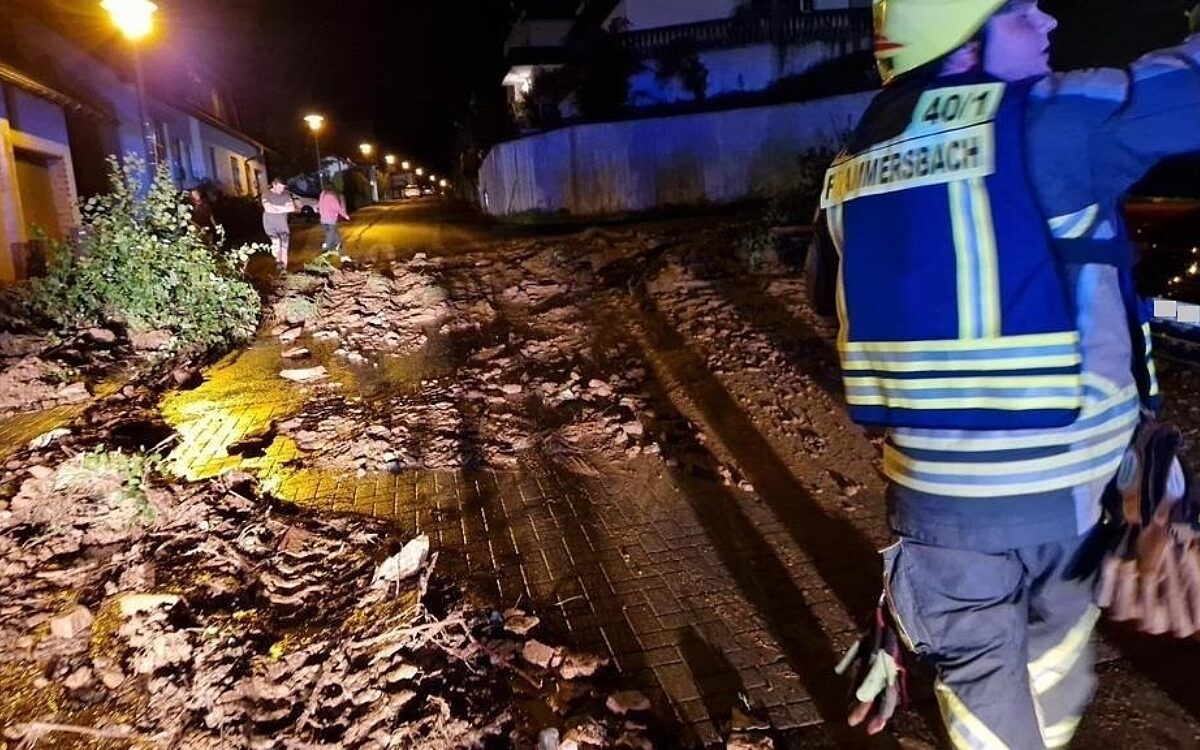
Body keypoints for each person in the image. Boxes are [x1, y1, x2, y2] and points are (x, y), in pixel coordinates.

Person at [823, 1, 1200, 746]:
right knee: (1049, 700)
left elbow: (836, 298)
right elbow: (1182, 91)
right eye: (1021, 9)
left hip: (937, 529)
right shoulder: (1047, 121)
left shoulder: (851, 170)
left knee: (1002, 727)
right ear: (964, 43)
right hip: (1066, 514)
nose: (1048, 20)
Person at [261, 178, 295, 271]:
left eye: (283, 188)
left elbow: (291, 208)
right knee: (276, 242)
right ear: (274, 185)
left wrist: (276, 208)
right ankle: (278, 261)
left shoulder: (286, 194)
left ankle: (284, 268)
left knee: (284, 247)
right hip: (270, 225)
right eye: (280, 187)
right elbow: (268, 208)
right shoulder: (266, 193)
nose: (281, 190)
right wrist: (283, 208)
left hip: (283, 225)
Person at [318, 187, 350, 252]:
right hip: (330, 220)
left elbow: (320, 207)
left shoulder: (322, 198)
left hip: (323, 220)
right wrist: (345, 215)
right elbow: (337, 208)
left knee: (333, 232)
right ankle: (326, 247)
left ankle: (338, 243)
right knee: (330, 234)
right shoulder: (331, 198)